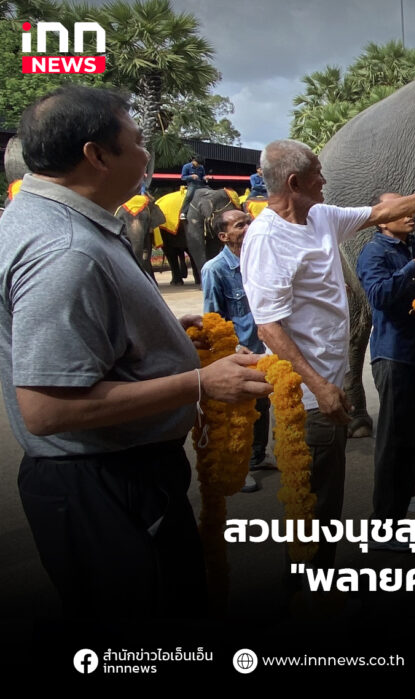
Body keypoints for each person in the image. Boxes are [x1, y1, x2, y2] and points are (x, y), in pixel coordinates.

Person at [0, 85, 271, 618]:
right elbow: (48, 408)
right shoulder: (65, 251)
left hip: (111, 478)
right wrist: (199, 382)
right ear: (96, 156)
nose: (148, 156)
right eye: (139, 142)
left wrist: (155, 332)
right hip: (107, 486)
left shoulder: (55, 221)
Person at [241, 139, 415, 569]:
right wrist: (320, 385)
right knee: (316, 499)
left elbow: (379, 212)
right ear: (294, 182)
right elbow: (269, 326)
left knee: (330, 489)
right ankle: (310, 587)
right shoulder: (267, 240)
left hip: (330, 384)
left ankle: (318, 576)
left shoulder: (320, 217)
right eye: (318, 174)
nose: (326, 180)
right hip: (309, 396)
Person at [356, 194, 415, 537]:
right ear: (382, 220)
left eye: (412, 211)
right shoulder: (374, 253)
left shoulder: (412, 244)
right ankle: (384, 522)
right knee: (394, 439)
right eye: (403, 211)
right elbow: (379, 295)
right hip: (393, 355)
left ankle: (403, 495)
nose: (411, 216)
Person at [202, 209, 276, 493]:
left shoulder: (260, 261)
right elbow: (212, 318)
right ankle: (239, 465)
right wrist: (232, 346)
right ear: (224, 236)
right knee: (239, 412)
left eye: (250, 221)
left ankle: (258, 456)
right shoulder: (214, 270)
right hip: (238, 351)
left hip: (263, 348)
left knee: (261, 404)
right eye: (240, 224)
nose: (249, 226)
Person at [179, 155, 211, 221]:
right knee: (189, 195)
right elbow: (183, 177)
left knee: (211, 192)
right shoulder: (186, 166)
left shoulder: (201, 167)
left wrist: (205, 178)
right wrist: (191, 176)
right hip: (192, 184)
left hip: (201, 184)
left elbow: (203, 176)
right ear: (194, 161)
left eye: (200, 165)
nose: (199, 166)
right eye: (198, 164)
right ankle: (183, 213)